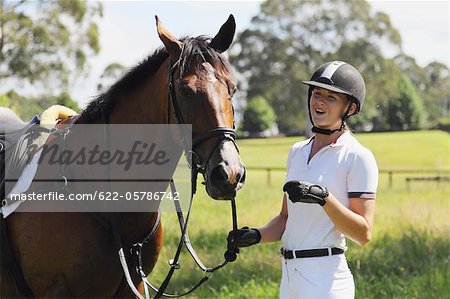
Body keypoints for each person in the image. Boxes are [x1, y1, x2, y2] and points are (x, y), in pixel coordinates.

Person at [228, 61, 378, 299]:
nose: (319, 102)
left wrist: (324, 198)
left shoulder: (358, 157)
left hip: (327, 280)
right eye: (316, 93)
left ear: (349, 107)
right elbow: (286, 218)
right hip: (290, 278)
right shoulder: (297, 151)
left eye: (331, 97)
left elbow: (363, 234)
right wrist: (257, 235)